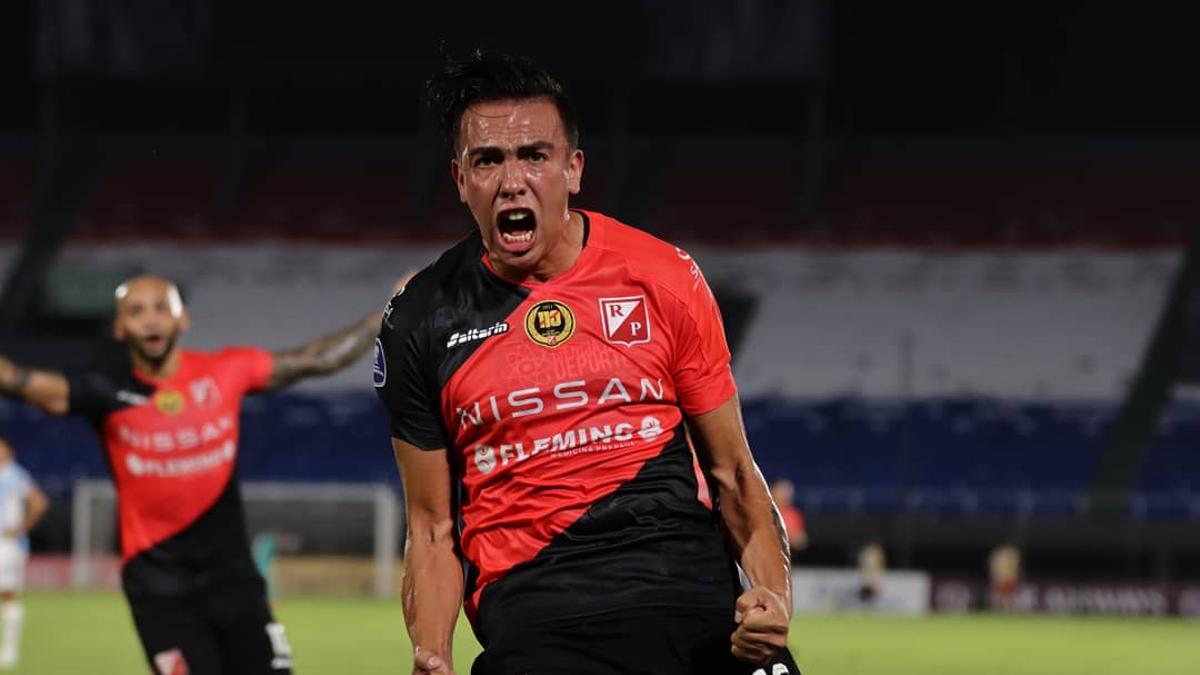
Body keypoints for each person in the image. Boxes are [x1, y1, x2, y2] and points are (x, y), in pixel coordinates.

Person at [375, 51, 800, 675]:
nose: (511, 181)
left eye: (534, 156)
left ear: (573, 169)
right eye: (487, 160)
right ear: (460, 180)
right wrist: (431, 652)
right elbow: (433, 529)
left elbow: (735, 473)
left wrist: (771, 597)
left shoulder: (664, 276)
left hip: (693, 606)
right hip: (540, 621)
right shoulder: (420, 320)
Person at [0, 274, 401, 674]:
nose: (151, 320)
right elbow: (19, 382)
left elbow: (319, 359)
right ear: (119, 328)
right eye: (136, 312)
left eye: (162, 308)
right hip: (160, 593)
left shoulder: (225, 371)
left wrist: (390, 308)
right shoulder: (102, 391)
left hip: (235, 583)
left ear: (183, 320)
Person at [0, 437, 47, 670]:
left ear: (9, 451)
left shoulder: (15, 475)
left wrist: (19, 530)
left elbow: (39, 503)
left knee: (7, 594)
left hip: (5, 545)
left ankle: (9, 652)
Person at [770, 478, 808, 560]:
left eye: (787, 494)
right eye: (781, 493)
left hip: (787, 559)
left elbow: (801, 540)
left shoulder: (794, 515)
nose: (785, 496)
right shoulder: (764, 511)